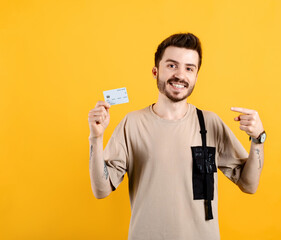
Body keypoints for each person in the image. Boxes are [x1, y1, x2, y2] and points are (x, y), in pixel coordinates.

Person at [87, 33, 266, 240]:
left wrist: (257, 139)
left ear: (196, 76)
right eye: (172, 65)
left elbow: (249, 184)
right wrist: (96, 137)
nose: (180, 75)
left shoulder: (210, 123)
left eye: (189, 68)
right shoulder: (132, 123)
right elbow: (101, 190)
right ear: (156, 71)